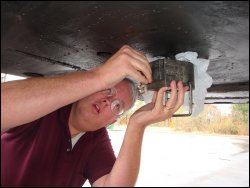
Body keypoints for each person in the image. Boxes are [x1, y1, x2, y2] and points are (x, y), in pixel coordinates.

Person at [1, 45, 188, 187]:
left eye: (117, 106)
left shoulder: (95, 140)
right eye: (108, 89)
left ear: (111, 122)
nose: (108, 101)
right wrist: (98, 76)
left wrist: (137, 126)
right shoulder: (45, 106)